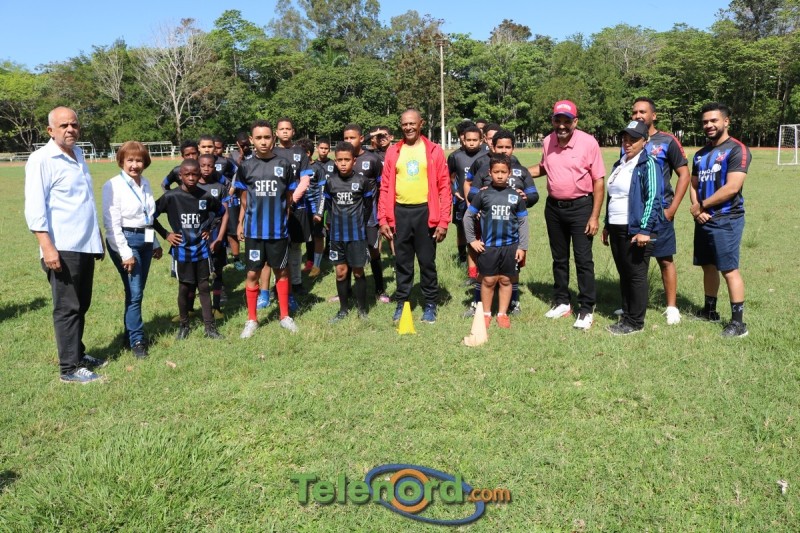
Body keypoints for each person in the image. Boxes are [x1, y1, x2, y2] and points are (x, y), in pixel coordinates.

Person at [25, 106, 106, 383]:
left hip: (85, 243)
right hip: (61, 247)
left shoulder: (78, 154)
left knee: (82, 304)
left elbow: (85, 201)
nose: (70, 129)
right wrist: (47, 247)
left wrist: (97, 237)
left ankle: (78, 354)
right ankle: (69, 369)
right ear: (50, 130)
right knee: (67, 307)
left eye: (74, 124)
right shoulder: (41, 159)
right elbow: (34, 207)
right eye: (63, 126)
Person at [528, 100, 605, 330]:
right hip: (554, 208)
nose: (561, 125)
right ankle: (562, 301)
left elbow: (598, 181)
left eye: (566, 121)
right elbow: (544, 167)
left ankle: (586, 308)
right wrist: (518, 172)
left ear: (575, 122)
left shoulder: (589, 143)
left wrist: (594, 216)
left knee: (583, 259)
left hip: (581, 208)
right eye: (557, 120)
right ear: (552, 120)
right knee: (559, 258)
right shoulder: (547, 141)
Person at [378, 108, 451, 324]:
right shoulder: (393, 152)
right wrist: (383, 219)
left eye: (412, 123)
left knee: (427, 262)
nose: (408, 127)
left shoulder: (434, 151)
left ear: (421, 124)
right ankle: (403, 303)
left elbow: (444, 187)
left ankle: (430, 304)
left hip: (426, 213)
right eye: (404, 124)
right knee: (402, 262)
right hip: (400, 213)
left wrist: (443, 221)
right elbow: (384, 187)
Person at [689, 102, 751, 338]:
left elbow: (732, 187)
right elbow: (694, 185)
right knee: (708, 266)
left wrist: (702, 205)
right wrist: (698, 211)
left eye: (714, 120)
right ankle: (709, 310)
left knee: (729, 269)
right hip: (703, 218)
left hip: (726, 218)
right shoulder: (700, 154)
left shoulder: (737, 150)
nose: (709, 125)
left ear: (726, 121)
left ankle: (738, 323)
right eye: (705, 122)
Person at [629, 97, 691, 325]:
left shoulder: (667, 140)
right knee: (634, 261)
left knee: (664, 259)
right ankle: (633, 305)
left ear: (653, 115)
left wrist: (672, 209)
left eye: (643, 112)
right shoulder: (630, 140)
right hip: (636, 212)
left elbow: (684, 174)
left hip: (660, 210)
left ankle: (671, 307)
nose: (638, 115)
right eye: (635, 112)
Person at [235, 119, 299, 338]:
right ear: (251, 140)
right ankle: (252, 319)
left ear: (273, 138)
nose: (263, 141)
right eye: (258, 138)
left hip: (277, 231)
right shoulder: (245, 166)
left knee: (281, 271)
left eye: (267, 137)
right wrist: (241, 222)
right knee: (252, 272)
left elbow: (289, 198)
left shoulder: (284, 165)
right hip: (254, 231)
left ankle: (284, 316)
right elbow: (244, 199)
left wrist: (284, 220)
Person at [466, 130, 539, 317]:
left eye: (508, 147)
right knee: (485, 271)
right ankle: (478, 303)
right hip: (489, 227)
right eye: (500, 147)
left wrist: (525, 196)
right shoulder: (484, 168)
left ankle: (513, 302)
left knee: (512, 271)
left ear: (513, 148)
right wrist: (480, 192)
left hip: (511, 229)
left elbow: (534, 195)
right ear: (492, 146)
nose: (504, 150)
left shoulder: (521, 170)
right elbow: (472, 193)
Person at [102, 141, 163, 359]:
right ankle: (137, 340)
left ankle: (128, 334)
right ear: (121, 161)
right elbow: (111, 224)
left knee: (135, 292)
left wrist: (154, 242)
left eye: (139, 160)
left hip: (144, 239)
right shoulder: (113, 185)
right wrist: (125, 253)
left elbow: (147, 218)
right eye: (130, 160)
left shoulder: (145, 183)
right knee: (135, 293)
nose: (134, 165)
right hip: (125, 240)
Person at [601, 121, 663, 335]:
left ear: (645, 141)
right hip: (616, 227)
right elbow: (612, 197)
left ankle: (635, 322)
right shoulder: (620, 163)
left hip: (636, 229)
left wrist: (645, 230)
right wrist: (607, 225)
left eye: (633, 139)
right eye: (625, 139)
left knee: (636, 275)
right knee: (625, 273)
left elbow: (653, 199)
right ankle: (627, 315)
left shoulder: (649, 164)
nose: (627, 143)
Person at [153, 159, 225, 340]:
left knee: (204, 286)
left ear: (200, 175)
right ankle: (184, 325)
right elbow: (151, 215)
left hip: (201, 249)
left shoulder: (205, 196)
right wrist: (166, 234)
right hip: (182, 250)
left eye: (195, 174)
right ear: (180, 175)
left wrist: (209, 228)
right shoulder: (171, 196)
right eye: (187, 174)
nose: (191, 178)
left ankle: (209, 327)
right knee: (184, 287)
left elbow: (221, 212)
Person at [463, 154, 528, 329]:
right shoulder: (483, 195)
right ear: (490, 173)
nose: (500, 175)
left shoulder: (516, 196)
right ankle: (485, 314)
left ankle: (502, 314)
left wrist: (522, 246)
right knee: (488, 280)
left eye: (503, 172)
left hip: (510, 247)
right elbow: (468, 217)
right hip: (489, 247)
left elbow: (523, 222)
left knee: (506, 280)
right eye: (496, 172)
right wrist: (472, 240)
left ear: (509, 174)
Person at [315, 142, 373, 322]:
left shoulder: (362, 181)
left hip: (356, 235)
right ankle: (343, 310)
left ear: (354, 161)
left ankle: (362, 310)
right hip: (337, 235)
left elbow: (368, 207)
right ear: (335, 161)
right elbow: (327, 205)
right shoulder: (330, 182)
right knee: (340, 272)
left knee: (358, 272)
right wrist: (329, 221)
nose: (343, 163)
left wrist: (360, 224)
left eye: (347, 160)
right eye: (339, 160)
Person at [343, 123, 388, 303]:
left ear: (361, 139)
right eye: (346, 138)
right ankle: (346, 291)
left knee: (374, 251)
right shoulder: (341, 160)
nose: (348, 141)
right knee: (346, 253)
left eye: (352, 137)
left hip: (369, 217)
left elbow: (382, 187)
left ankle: (380, 290)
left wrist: (382, 213)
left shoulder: (373, 160)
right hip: (347, 217)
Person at [273, 118, 313, 301]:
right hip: (275, 207)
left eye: (288, 128)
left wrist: (291, 200)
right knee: (278, 246)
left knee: (296, 246)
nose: (285, 131)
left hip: (297, 207)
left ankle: (296, 282)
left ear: (293, 131)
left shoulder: (299, 152)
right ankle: (278, 283)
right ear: (276, 132)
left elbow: (305, 180)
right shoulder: (271, 152)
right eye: (281, 129)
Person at [197, 153, 231, 319]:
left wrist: (219, 238)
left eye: (210, 166)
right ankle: (191, 308)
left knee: (217, 272)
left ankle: (217, 306)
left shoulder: (220, 187)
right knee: (198, 275)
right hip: (196, 238)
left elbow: (225, 214)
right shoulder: (191, 186)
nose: (206, 169)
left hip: (216, 236)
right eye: (203, 165)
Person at [448, 124, 483, 267]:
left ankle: (482, 259)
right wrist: (453, 190)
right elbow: (448, 177)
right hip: (462, 200)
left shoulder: (485, 155)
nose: (471, 143)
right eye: (468, 139)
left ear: (481, 140)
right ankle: (463, 259)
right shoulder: (455, 156)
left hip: (482, 200)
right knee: (462, 229)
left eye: (475, 140)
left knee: (482, 228)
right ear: (463, 139)